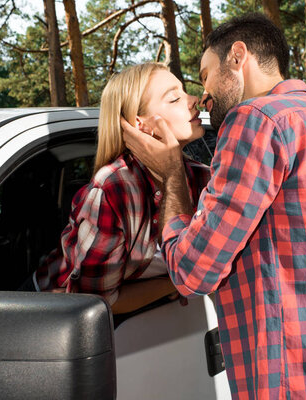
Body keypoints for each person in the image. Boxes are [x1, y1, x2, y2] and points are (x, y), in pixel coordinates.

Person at [122, 13, 306, 399]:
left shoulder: (255, 120)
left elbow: (191, 272)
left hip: (297, 383)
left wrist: (171, 175)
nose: (203, 96)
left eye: (205, 75)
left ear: (237, 57)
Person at [32, 62, 209, 315]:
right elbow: (94, 301)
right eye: (174, 98)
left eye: (185, 92)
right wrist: (177, 282)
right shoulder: (113, 189)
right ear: (141, 125)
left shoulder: (204, 179)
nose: (194, 100)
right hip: (48, 315)